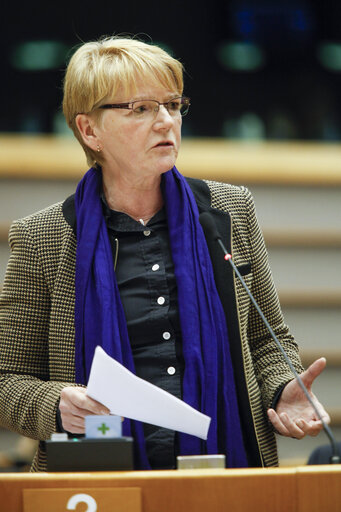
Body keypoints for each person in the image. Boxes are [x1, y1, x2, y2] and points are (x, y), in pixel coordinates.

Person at [0, 36, 330, 472]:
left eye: (172, 105)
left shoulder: (228, 212)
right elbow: (7, 379)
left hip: (226, 473)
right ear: (89, 130)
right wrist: (55, 405)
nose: (165, 122)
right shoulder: (43, 238)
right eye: (140, 108)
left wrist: (281, 387)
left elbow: (267, 342)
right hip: (101, 476)